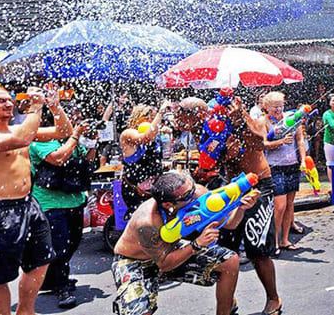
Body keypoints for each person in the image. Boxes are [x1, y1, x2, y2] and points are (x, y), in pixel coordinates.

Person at [0, 85, 72, 315]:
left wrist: (55, 107)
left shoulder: (18, 128)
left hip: (28, 204)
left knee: (41, 260)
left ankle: (25, 311)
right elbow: (20, 139)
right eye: (0, 101)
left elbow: (62, 131)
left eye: (9, 100)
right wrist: (36, 108)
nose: (8, 104)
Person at [112, 171, 258, 315]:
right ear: (169, 204)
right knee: (139, 312)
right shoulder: (147, 222)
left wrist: (240, 207)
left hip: (171, 250)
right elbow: (164, 264)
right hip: (135, 261)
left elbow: (230, 224)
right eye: (188, 195)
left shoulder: (197, 193)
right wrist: (196, 245)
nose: (195, 194)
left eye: (193, 188)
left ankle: (226, 310)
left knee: (229, 261)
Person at [218, 96, 282, 315]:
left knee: (257, 248)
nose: (229, 111)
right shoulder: (216, 123)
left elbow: (260, 141)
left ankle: (274, 298)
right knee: (226, 251)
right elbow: (214, 156)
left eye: (233, 107)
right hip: (231, 188)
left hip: (258, 185)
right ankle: (228, 301)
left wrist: (241, 118)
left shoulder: (252, 119)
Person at [30, 111, 98, 308]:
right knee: (59, 246)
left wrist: (92, 142)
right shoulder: (40, 140)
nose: (71, 124)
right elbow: (58, 158)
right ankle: (62, 286)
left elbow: (88, 161)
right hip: (49, 203)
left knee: (73, 243)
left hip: (74, 200)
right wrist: (75, 135)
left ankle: (53, 278)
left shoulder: (70, 139)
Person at [262, 91, 305, 253]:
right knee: (279, 206)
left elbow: (300, 140)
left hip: (292, 165)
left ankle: (285, 239)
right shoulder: (264, 121)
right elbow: (263, 144)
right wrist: (280, 142)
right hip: (275, 166)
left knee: (289, 205)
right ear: (266, 107)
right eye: (275, 107)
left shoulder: (292, 118)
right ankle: (274, 241)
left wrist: (304, 160)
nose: (279, 109)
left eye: (281, 106)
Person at [119, 102, 171, 218]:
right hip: (135, 189)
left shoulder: (155, 135)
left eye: (153, 118)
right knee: (142, 220)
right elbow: (146, 138)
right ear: (139, 117)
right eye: (150, 117)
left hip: (153, 188)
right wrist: (160, 112)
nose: (152, 120)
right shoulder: (128, 134)